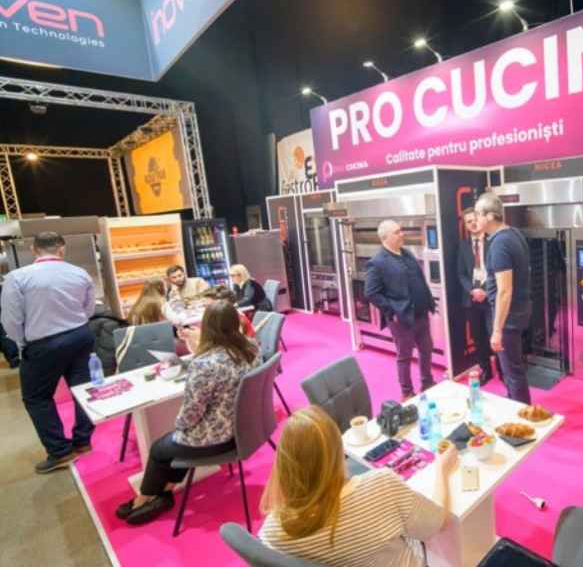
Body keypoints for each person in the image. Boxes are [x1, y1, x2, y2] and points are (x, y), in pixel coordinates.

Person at [114, 301, 261, 525]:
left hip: (217, 439)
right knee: (173, 445)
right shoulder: (251, 347)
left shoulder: (205, 364)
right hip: (244, 428)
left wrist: (178, 425)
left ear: (206, 327)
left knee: (160, 448)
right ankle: (163, 493)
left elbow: (190, 416)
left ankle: (143, 498)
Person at [259, 406, 459, 566]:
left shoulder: (272, 531)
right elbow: (438, 522)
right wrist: (442, 470)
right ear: (338, 452)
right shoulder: (382, 486)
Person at [0, 232, 97, 473]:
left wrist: (22, 343)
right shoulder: (80, 273)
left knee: (36, 398)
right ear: (62, 249)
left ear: (34, 250)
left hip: (43, 343)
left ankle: (60, 452)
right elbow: (89, 309)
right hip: (80, 335)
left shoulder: (17, 277)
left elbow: (10, 320)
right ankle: (83, 441)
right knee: (83, 390)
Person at [364, 219, 436, 400]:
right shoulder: (377, 262)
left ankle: (427, 382)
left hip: (421, 314)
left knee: (426, 349)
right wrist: (391, 311)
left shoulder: (406, 253)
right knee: (405, 356)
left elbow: (419, 280)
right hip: (401, 319)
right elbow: (371, 293)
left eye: (401, 230)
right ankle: (407, 392)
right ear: (385, 237)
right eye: (397, 232)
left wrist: (428, 302)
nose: (402, 234)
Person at [475, 192, 533, 404]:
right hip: (519, 312)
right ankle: (516, 407)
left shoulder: (500, 243)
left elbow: (504, 290)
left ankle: (521, 416)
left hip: (508, 318)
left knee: (512, 372)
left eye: (478, 214)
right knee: (514, 369)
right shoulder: (513, 233)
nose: (476, 218)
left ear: (490, 216)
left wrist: (497, 330)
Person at [456, 208, 494, 383]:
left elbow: (497, 271)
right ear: (465, 225)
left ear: (480, 219)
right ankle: (486, 369)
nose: (472, 223)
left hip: (491, 297)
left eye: (474, 219)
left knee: (494, 334)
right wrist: (472, 290)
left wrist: (485, 290)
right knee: (478, 338)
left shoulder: (493, 241)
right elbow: (461, 273)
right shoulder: (463, 246)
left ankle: (503, 371)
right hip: (471, 299)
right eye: (468, 221)